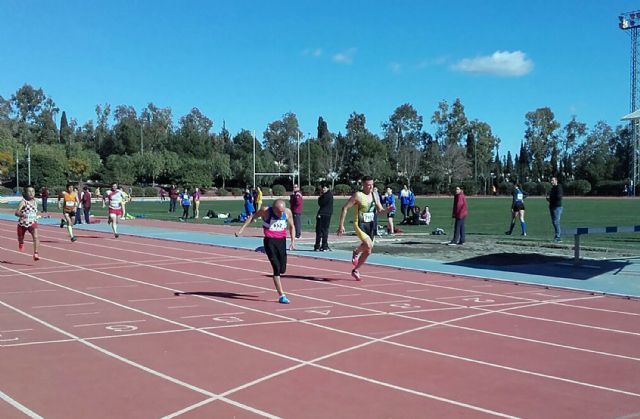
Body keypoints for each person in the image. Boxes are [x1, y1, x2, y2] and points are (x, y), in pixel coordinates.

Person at [235, 199, 295, 304]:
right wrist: (241, 229)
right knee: (276, 268)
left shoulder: (287, 212)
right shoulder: (266, 211)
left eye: (282, 211)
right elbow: (252, 217)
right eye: (278, 212)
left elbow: (292, 226)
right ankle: (282, 295)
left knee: (283, 269)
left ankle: (262, 249)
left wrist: (293, 241)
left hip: (282, 241)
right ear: (274, 209)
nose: (281, 214)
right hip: (270, 241)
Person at [337, 175, 389, 281]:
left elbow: (380, 211)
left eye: (372, 185)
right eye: (368, 185)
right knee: (368, 245)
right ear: (363, 185)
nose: (370, 187)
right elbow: (345, 208)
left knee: (368, 250)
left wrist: (387, 210)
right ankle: (356, 252)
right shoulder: (358, 195)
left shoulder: (375, 195)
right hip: (360, 224)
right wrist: (341, 225)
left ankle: (355, 270)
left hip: (371, 225)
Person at [15, 185, 40, 261]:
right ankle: (21, 243)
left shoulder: (36, 201)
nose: (31, 193)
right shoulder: (23, 202)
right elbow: (16, 213)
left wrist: (36, 215)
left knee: (35, 237)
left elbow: (35, 211)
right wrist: (23, 215)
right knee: (20, 238)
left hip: (32, 223)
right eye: (29, 191)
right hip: (23, 223)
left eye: (33, 191)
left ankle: (36, 253)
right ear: (25, 193)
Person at [314, 183, 333, 251]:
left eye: (325, 188)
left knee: (320, 230)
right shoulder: (329, 195)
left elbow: (321, 203)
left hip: (323, 214)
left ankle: (319, 246)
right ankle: (323, 245)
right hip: (327, 214)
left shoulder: (326, 195)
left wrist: (320, 197)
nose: (323, 189)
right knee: (324, 231)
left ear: (328, 188)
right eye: (323, 188)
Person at [547, 176, 563, 242]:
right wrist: (548, 199)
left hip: (557, 207)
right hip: (552, 206)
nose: (551, 182)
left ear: (556, 181)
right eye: (551, 180)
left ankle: (558, 237)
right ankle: (557, 236)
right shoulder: (552, 188)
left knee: (556, 222)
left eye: (553, 180)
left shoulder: (558, 187)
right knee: (554, 222)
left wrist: (551, 198)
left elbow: (559, 197)